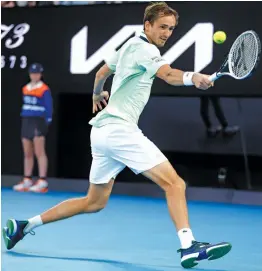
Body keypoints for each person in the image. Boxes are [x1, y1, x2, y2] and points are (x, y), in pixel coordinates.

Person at [2, 3, 231, 269]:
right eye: (162, 27)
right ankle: (188, 246)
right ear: (147, 25)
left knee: (94, 201)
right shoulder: (146, 49)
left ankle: (23, 225)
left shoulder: (129, 46)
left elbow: (101, 73)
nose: (167, 33)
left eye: (171, 29)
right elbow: (168, 75)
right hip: (120, 131)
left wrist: (97, 93)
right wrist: (194, 77)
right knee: (175, 184)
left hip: (100, 133)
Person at [12, 63, 52, 193]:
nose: (35, 75)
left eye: (37, 73)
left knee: (39, 151)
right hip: (26, 120)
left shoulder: (44, 89)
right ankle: (27, 179)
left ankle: (42, 180)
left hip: (38, 121)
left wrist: (47, 121)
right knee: (27, 152)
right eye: (32, 73)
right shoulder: (25, 88)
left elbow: (49, 107)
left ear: (40, 74)